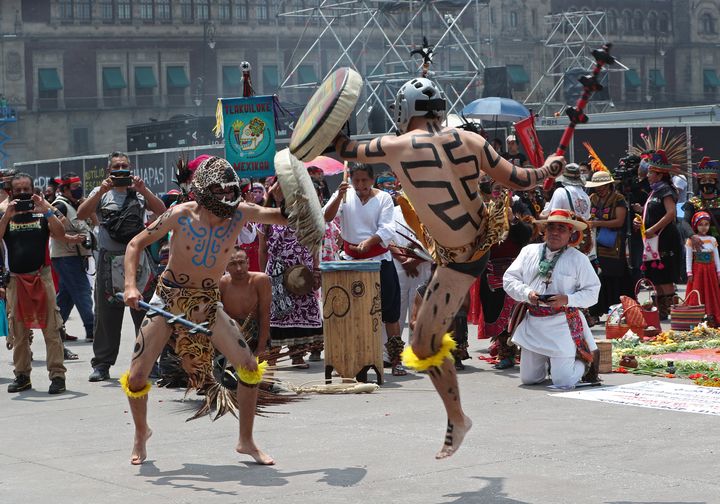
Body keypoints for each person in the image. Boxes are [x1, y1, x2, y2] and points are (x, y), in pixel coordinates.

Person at [334, 76, 565, 458]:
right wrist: (548, 168)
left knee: (423, 344)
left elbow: (342, 147)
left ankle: (458, 419)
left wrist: (333, 110)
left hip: (462, 258)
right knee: (420, 331)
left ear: (403, 110)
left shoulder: (394, 145)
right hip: (471, 249)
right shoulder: (471, 140)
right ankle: (457, 416)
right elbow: (523, 179)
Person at [122, 155, 285, 466]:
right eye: (219, 194)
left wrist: (295, 202)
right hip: (168, 298)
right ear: (203, 192)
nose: (226, 200)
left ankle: (246, 440)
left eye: (230, 193)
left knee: (248, 366)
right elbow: (134, 245)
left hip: (208, 302)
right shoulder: (179, 215)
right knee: (137, 376)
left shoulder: (240, 214)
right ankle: (141, 432)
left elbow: (280, 217)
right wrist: (131, 285)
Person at [77, 151, 166, 382]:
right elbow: (81, 214)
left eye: (124, 166)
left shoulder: (138, 192)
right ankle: (102, 365)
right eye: (116, 167)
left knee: (144, 312)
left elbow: (162, 212)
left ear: (130, 168)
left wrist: (144, 190)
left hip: (138, 259)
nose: (120, 170)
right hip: (109, 260)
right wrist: (102, 191)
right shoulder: (101, 193)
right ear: (109, 171)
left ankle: (149, 363)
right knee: (106, 316)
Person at [0, 173, 85, 394]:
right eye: (17, 190)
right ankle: (22, 376)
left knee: (52, 329)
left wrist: (45, 209)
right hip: (16, 281)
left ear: (33, 189)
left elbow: (60, 232)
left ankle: (57, 376)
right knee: (18, 331)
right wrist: (7, 216)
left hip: (42, 277)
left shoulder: (42, 213)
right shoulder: (4, 212)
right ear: (10, 192)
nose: (22, 194)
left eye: (26, 189)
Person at [503, 209, 601, 389]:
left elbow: (593, 292)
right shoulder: (528, 251)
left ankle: (584, 364)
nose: (555, 232)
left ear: (571, 233)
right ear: (544, 230)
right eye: (552, 227)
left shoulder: (578, 259)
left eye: (562, 229)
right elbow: (509, 279)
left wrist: (567, 299)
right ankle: (553, 365)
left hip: (562, 324)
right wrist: (527, 294)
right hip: (533, 321)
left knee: (563, 382)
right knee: (529, 379)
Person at [323, 163, 405, 376]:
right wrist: (339, 197)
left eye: (364, 181)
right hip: (350, 259)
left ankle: (396, 360)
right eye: (356, 180)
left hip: (379, 258)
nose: (360, 185)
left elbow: (387, 228)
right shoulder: (344, 193)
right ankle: (356, 356)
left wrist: (369, 242)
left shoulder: (384, 198)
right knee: (351, 310)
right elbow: (326, 217)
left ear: (372, 179)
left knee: (389, 311)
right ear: (350, 180)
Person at [261, 181, 323, 368]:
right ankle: (272, 356)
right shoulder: (266, 217)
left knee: (301, 313)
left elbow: (314, 245)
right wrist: (264, 276)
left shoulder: (306, 216)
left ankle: (298, 356)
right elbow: (262, 249)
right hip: (276, 273)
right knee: (276, 315)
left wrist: (316, 269)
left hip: (302, 272)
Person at [50, 172, 96, 342]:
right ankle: (92, 329)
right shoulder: (60, 206)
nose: (80, 189)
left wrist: (86, 205)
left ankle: (56, 330)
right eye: (75, 187)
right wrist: (72, 239)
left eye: (80, 186)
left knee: (67, 296)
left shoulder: (76, 205)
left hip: (76, 256)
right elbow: (53, 232)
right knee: (83, 291)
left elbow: (95, 222)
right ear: (65, 189)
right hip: (66, 257)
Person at [638, 150, 683, 319]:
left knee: (665, 277)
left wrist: (653, 229)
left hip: (665, 239)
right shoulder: (654, 191)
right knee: (656, 276)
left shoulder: (666, 190)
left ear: (659, 175)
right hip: (653, 239)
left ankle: (671, 310)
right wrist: (640, 219)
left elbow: (670, 213)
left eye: (650, 172)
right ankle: (661, 310)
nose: (647, 175)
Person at [586, 170, 628, 319]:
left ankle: (617, 313)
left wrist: (598, 223)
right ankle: (595, 312)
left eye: (603, 186)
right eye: (598, 187)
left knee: (613, 279)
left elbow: (619, 221)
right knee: (596, 279)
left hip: (613, 246)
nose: (600, 190)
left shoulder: (619, 199)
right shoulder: (592, 198)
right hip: (594, 246)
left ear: (609, 185)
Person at [220, 247, 271, 354]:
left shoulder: (260, 280)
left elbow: (265, 315)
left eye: (241, 263)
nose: (238, 268)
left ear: (248, 263)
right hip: (232, 334)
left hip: (256, 333)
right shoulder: (222, 283)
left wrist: (261, 347)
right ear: (225, 266)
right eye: (233, 264)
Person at [685, 212, 720, 326]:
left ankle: (711, 315)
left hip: (710, 271)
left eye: (706, 224)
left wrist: (718, 271)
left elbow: (716, 257)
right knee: (697, 291)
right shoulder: (691, 240)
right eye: (701, 224)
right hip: (697, 270)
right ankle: (696, 317)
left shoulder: (712, 239)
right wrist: (689, 272)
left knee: (711, 292)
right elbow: (689, 257)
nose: (704, 227)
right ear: (695, 225)